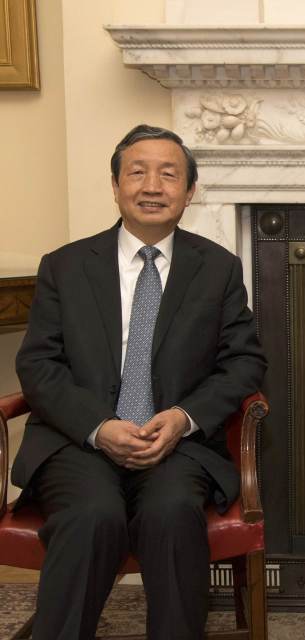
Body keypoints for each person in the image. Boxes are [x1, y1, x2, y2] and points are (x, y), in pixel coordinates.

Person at [13, 124, 267, 639]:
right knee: (92, 515)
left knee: (173, 513)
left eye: (169, 174)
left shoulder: (217, 269)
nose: (153, 186)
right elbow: (38, 365)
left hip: (176, 445)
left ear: (189, 191)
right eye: (138, 172)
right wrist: (99, 426)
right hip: (77, 443)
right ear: (115, 185)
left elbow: (243, 363)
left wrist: (182, 419)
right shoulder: (64, 267)